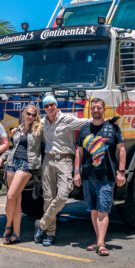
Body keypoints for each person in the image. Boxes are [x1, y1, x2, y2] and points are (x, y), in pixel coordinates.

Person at [34, 94, 89, 246]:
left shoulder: (67, 119)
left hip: (65, 160)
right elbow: (27, 127)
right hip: (48, 160)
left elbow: (86, 123)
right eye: (46, 106)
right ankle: (50, 234)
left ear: (56, 105)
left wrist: (105, 121)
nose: (49, 108)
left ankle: (42, 224)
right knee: (48, 198)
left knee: (64, 194)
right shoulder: (43, 122)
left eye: (52, 104)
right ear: (44, 108)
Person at [73, 98, 126, 256]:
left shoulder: (113, 128)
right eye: (93, 108)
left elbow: (121, 150)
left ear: (104, 110)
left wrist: (121, 172)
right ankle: (97, 240)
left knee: (103, 210)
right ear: (91, 110)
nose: (95, 110)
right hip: (88, 176)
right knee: (94, 210)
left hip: (106, 176)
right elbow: (79, 152)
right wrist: (77, 172)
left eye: (98, 108)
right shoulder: (84, 129)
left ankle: (102, 243)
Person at [0, 104, 43, 244]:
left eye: (33, 115)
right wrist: (2, 157)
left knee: (10, 196)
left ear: (36, 116)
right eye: (28, 113)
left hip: (26, 164)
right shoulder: (19, 129)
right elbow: (13, 147)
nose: (30, 116)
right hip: (12, 162)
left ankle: (8, 225)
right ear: (24, 113)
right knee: (16, 200)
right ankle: (16, 234)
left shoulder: (39, 128)